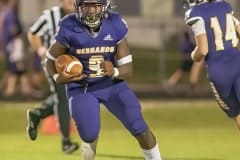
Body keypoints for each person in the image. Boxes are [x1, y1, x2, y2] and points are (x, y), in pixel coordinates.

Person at [45, 0, 162, 159]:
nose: (91, 10)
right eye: (86, 5)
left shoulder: (115, 23)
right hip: (82, 88)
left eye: (95, 5)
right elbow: (50, 60)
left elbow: (127, 70)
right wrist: (59, 77)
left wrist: (114, 71)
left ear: (104, 6)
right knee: (89, 134)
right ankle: (89, 145)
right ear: (78, 6)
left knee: (139, 126)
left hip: (112, 85)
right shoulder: (69, 26)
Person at [26, 0, 79, 154]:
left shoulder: (82, 15)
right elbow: (33, 32)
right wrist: (41, 50)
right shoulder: (51, 15)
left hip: (74, 64)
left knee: (68, 97)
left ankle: (37, 114)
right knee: (63, 97)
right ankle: (66, 142)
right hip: (54, 63)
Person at [185, 0, 240, 129]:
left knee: (237, 114)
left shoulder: (195, 13)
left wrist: (193, 55)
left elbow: (203, 50)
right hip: (237, 62)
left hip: (219, 71)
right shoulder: (224, 6)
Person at [1, 0, 33, 98]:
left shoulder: (6, 13)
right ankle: (10, 92)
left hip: (10, 46)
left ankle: (24, 90)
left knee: (16, 70)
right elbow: (14, 30)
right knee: (16, 69)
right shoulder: (10, 13)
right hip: (14, 47)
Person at [164, 23, 204, 91]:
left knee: (187, 68)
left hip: (189, 51)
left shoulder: (190, 28)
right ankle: (191, 85)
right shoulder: (191, 28)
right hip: (189, 52)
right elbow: (193, 41)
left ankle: (172, 82)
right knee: (187, 68)